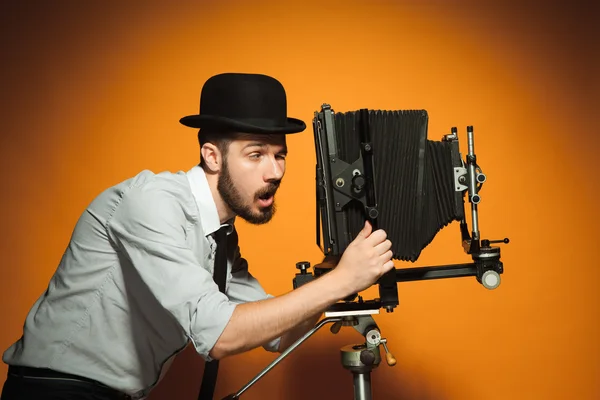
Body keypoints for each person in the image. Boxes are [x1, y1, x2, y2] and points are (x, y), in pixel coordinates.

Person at [0, 72, 394, 399]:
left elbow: (273, 332)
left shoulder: (219, 235)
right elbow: (220, 334)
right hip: (54, 390)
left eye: (280, 154)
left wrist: (339, 282)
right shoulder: (152, 205)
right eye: (256, 154)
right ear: (212, 156)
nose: (274, 171)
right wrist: (341, 280)